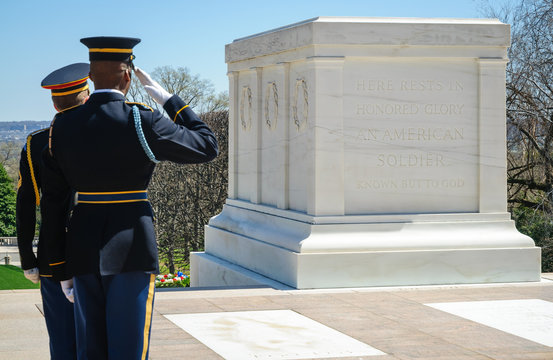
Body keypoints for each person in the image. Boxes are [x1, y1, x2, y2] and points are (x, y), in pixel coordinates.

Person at [41, 36, 218, 360]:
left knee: (90, 352)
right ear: (128, 76)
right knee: (128, 351)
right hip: (132, 249)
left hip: (81, 250)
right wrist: (168, 100)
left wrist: (60, 266)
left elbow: (53, 203)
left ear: (91, 76)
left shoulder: (62, 126)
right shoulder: (141, 120)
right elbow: (207, 145)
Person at [16, 62, 90, 360]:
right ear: (86, 95)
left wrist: (27, 257)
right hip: (97, 250)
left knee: (63, 343)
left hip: (53, 254)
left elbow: (26, 204)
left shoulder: (36, 143)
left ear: (55, 101)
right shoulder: (106, 135)